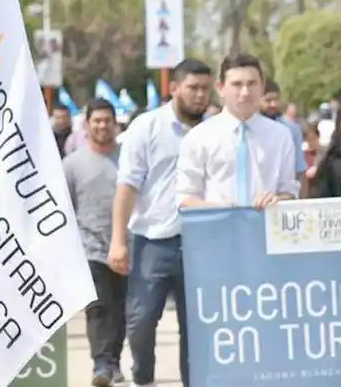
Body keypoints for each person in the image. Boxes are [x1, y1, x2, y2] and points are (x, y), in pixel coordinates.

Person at [107, 58, 213, 387]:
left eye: (206, 89)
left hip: (202, 243)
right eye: (193, 88)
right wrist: (118, 240)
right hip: (152, 241)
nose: (200, 95)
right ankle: (144, 378)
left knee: (197, 326)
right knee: (140, 322)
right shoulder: (146, 127)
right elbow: (127, 186)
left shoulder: (215, 130)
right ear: (174, 88)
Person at [176, 54, 299, 210]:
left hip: (265, 229)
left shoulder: (281, 136)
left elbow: (290, 190)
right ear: (221, 88)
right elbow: (184, 196)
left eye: (252, 84)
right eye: (237, 84)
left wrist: (278, 199)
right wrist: (216, 209)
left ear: (262, 86)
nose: (245, 92)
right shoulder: (199, 137)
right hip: (216, 229)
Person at [63, 98, 126, 387]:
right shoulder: (72, 165)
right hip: (90, 249)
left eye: (107, 121)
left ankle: (113, 361)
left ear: (116, 124)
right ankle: (102, 364)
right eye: (96, 121)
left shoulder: (128, 159)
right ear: (87, 125)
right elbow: (65, 208)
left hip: (127, 247)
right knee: (98, 308)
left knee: (122, 312)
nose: (102, 126)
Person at [260, 78, 307, 187]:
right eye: (268, 100)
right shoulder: (247, 129)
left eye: (276, 99)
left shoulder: (291, 129)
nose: (274, 104)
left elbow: (299, 168)